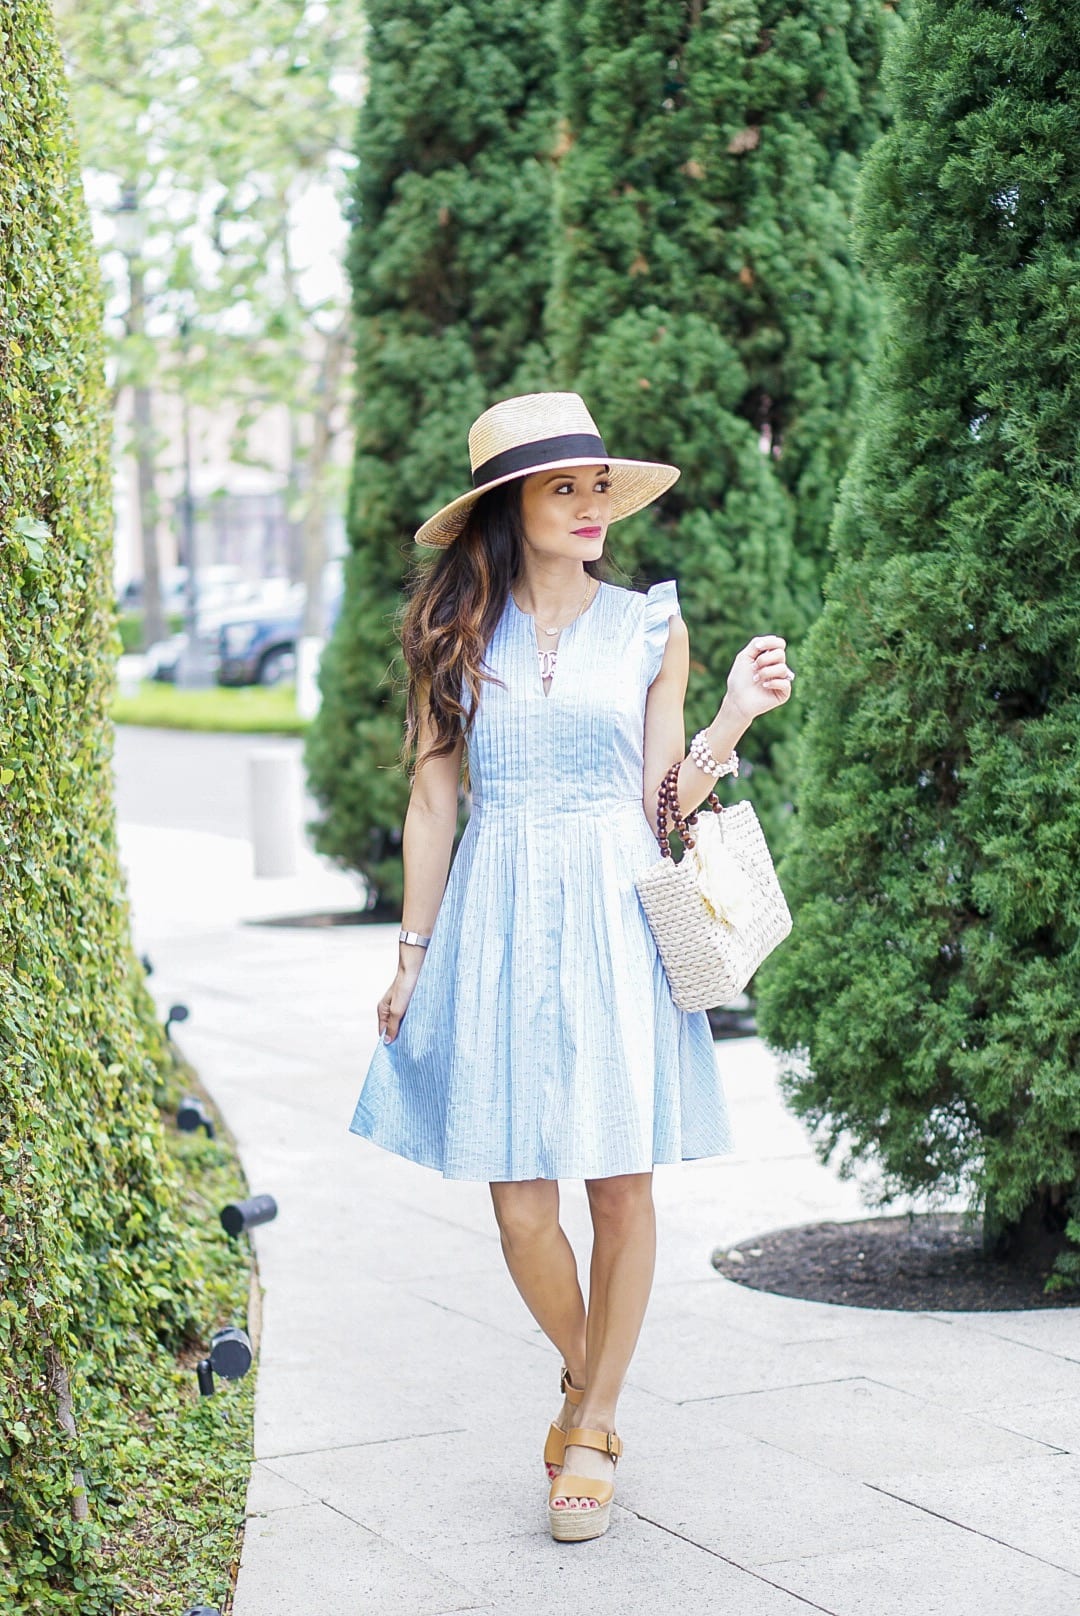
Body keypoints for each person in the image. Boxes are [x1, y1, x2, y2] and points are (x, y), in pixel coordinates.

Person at [348, 391, 794, 1542]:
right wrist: (411, 953)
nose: (592, 506)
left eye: (599, 485)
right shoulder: (455, 634)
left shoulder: (651, 625)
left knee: (619, 1181)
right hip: (494, 911)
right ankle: (582, 1372)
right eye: (565, 487)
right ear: (512, 507)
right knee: (518, 1203)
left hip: (612, 912)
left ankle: (593, 1423)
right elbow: (435, 798)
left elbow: (659, 808)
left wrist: (732, 720)